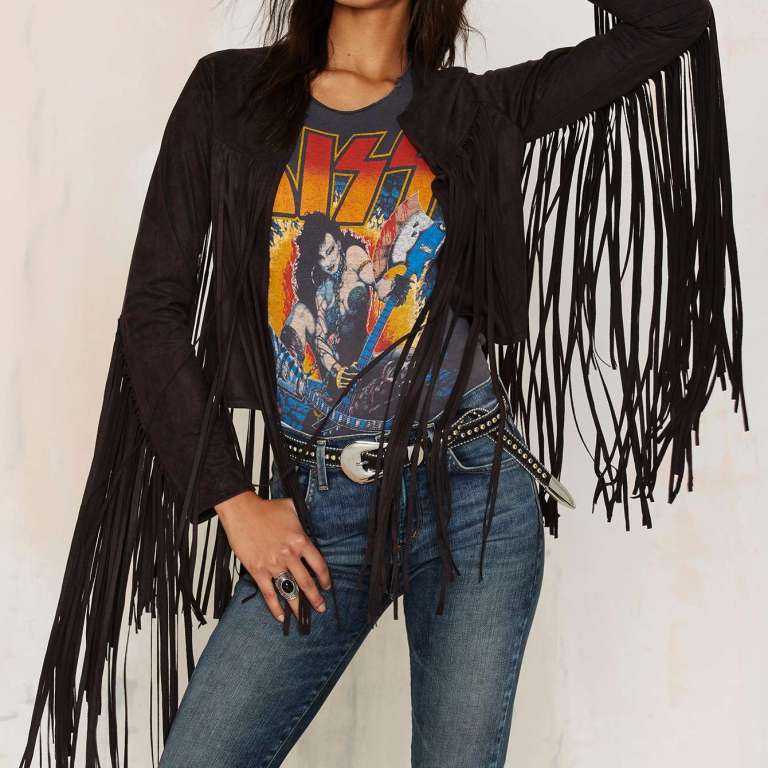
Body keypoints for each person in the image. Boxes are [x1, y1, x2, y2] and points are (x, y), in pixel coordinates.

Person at [20, 0, 747, 767]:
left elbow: (671, 22)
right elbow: (153, 309)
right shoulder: (228, 97)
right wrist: (231, 499)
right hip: (319, 510)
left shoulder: (470, 110)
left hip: (472, 495)